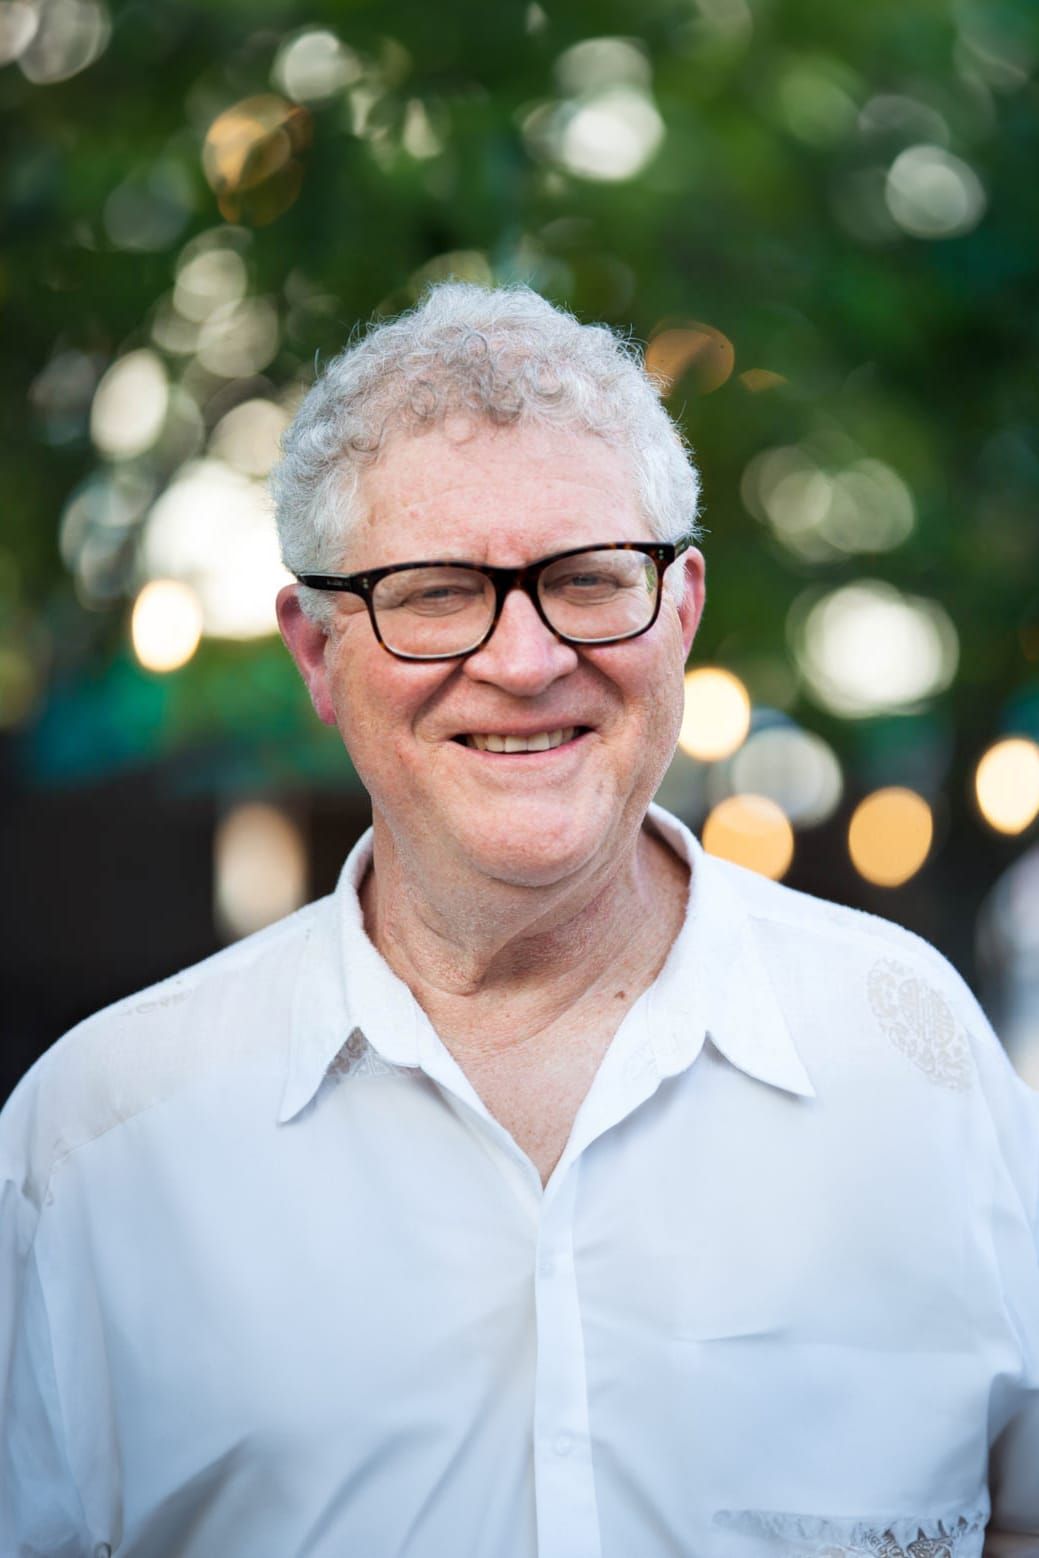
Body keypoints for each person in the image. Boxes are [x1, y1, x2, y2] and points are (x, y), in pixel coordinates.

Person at [2, 283, 1037, 1558]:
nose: (527, 659)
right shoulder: (98, 1143)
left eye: (589, 579)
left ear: (682, 610)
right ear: (319, 652)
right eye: (436, 591)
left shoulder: (920, 1061)